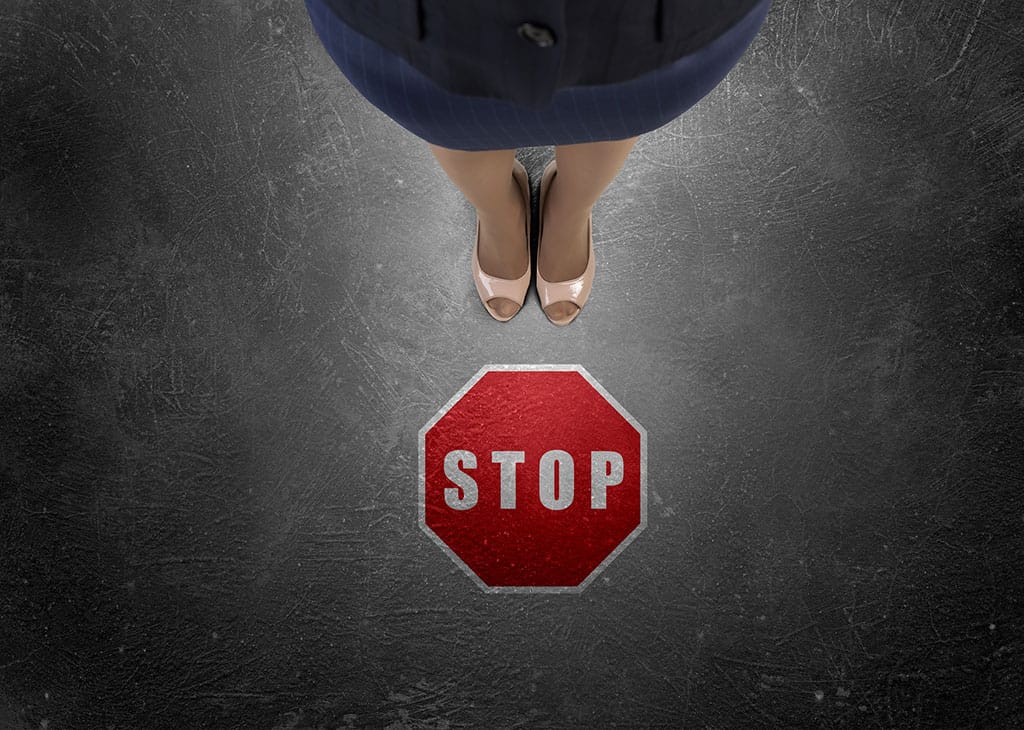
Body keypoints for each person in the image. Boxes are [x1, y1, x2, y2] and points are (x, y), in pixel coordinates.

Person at [304, 0, 772, 325]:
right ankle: (499, 213)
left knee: (616, 107)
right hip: (422, 22)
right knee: (449, 117)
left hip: (645, 24)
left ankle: (568, 212)